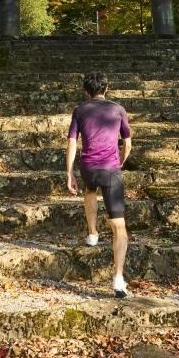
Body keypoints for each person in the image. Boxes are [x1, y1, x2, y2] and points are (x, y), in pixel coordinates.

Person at [66, 71, 132, 298]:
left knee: (90, 189)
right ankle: (118, 278)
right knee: (119, 227)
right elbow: (128, 143)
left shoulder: (79, 110)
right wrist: (120, 161)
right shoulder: (118, 110)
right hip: (111, 169)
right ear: (107, 88)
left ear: (86, 91)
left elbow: (72, 143)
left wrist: (69, 173)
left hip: (88, 167)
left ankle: (92, 233)